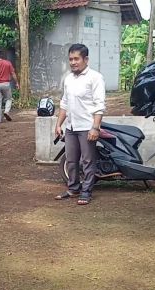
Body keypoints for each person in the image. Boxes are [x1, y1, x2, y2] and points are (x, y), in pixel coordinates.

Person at [54, 44, 106, 205]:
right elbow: (65, 103)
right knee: (71, 160)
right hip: (71, 127)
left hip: (87, 127)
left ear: (86, 59)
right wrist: (58, 124)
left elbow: (99, 105)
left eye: (76, 59)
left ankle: (86, 191)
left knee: (88, 161)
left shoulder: (95, 78)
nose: (73, 62)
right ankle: (73, 188)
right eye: (71, 59)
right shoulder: (68, 79)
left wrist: (95, 127)